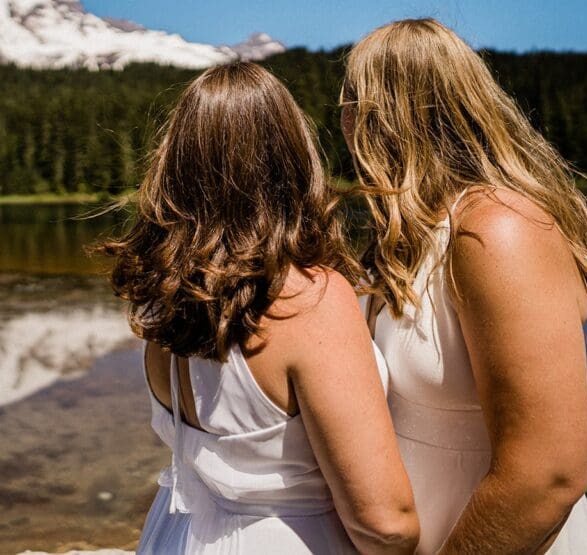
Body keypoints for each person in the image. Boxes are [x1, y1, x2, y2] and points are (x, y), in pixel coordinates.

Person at [100, 62, 419, 554]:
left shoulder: (167, 302)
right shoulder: (309, 299)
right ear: (293, 159)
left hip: (179, 537)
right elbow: (386, 525)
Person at [340, 18, 587, 554]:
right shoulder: (414, 233)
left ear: (386, 115)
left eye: (349, 105)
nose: (345, 126)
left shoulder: (498, 228)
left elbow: (549, 477)